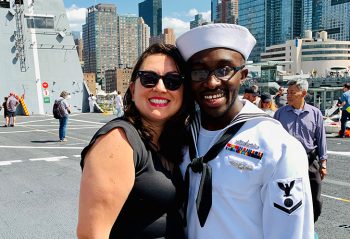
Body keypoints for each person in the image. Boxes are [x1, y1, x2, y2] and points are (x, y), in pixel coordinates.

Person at [176, 23, 314, 239]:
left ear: (243, 75)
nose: (211, 83)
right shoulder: (180, 136)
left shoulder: (277, 147)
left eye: (224, 70)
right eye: (199, 71)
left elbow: (291, 233)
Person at [77, 43, 194, 238]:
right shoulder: (118, 141)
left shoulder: (171, 140)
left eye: (173, 81)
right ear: (132, 89)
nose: (160, 87)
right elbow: (92, 235)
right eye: (149, 79)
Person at [274, 79, 327, 223]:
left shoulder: (315, 113)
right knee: (287, 197)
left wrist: (323, 163)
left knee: (315, 198)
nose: (288, 95)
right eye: (287, 92)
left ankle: (310, 226)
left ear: (303, 93)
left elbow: (321, 139)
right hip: (286, 161)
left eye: (292, 92)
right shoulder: (279, 114)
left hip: (310, 160)